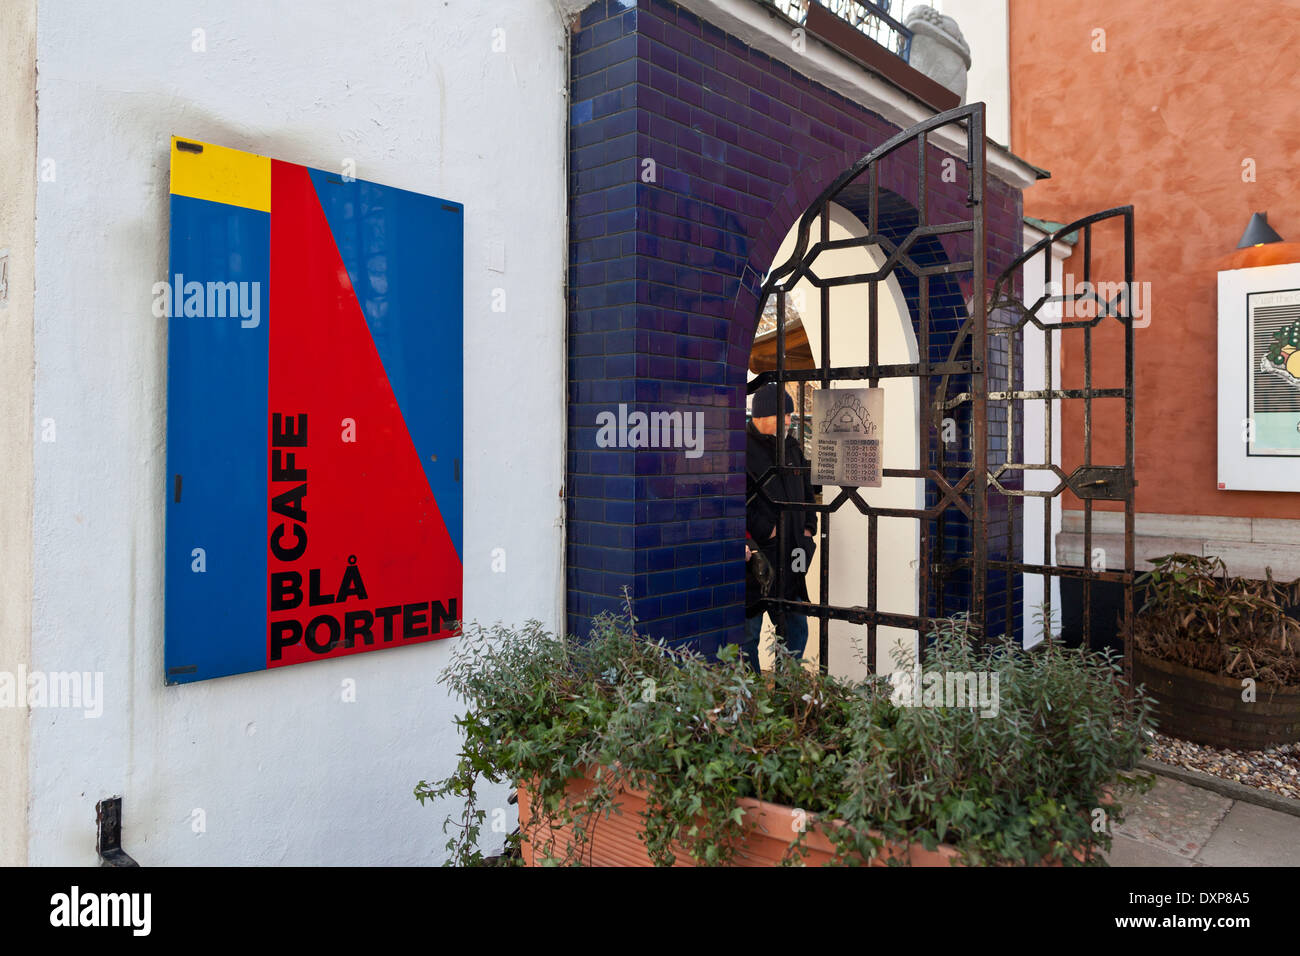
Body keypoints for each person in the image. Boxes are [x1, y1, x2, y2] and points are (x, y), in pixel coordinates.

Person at [741, 382, 818, 673]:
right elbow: (734, 499)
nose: (789, 420)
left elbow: (807, 493)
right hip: (758, 557)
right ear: (761, 415)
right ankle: (748, 698)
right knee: (748, 632)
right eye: (783, 414)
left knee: (796, 628)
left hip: (793, 555)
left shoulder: (792, 448)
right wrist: (766, 530)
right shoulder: (740, 449)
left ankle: (787, 693)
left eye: (790, 414)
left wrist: (808, 529)